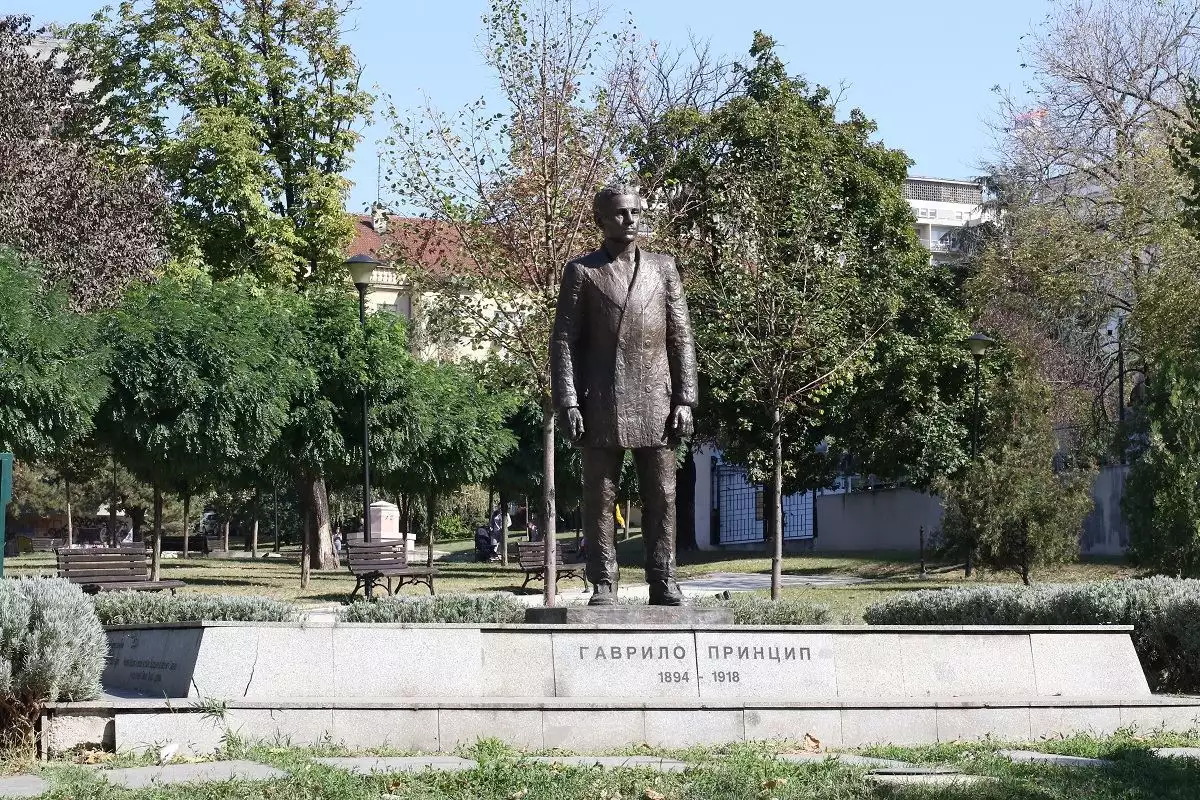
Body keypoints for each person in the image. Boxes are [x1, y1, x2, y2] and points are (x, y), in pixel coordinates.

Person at [550, 183, 697, 606]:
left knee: (663, 495)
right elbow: (563, 341)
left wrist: (686, 398)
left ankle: (664, 578)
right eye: (619, 213)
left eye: (634, 212)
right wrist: (569, 401)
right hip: (602, 398)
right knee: (600, 495)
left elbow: (681, 337)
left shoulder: (663, 267)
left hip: (657, 397)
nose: (629, 220)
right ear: (600, 220)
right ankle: (602, 583)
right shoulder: (583, 271)